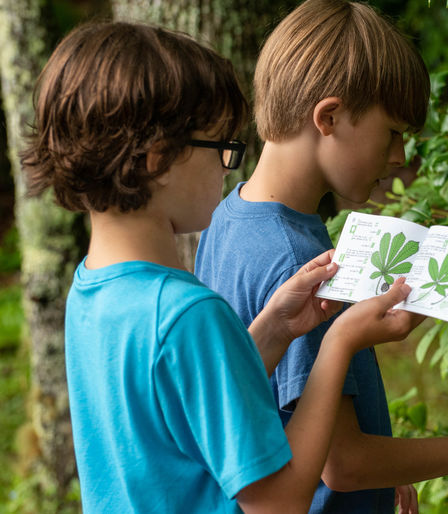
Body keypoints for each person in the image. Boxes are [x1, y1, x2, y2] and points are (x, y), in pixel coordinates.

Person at [20, 21, 425, 513]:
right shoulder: (188, 313)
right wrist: (339, 343)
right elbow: (279, 503)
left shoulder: (92, 289)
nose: (229, 166)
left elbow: (184, 406)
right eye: (219, 147)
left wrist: (274, 330)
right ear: (156, 158)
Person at [195, 1, 448, 513]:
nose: (398, 157)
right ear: (328, 117)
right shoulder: (296, 260)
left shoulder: (231, 215)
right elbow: (344, 465)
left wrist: (387, 465)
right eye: (392, 132)